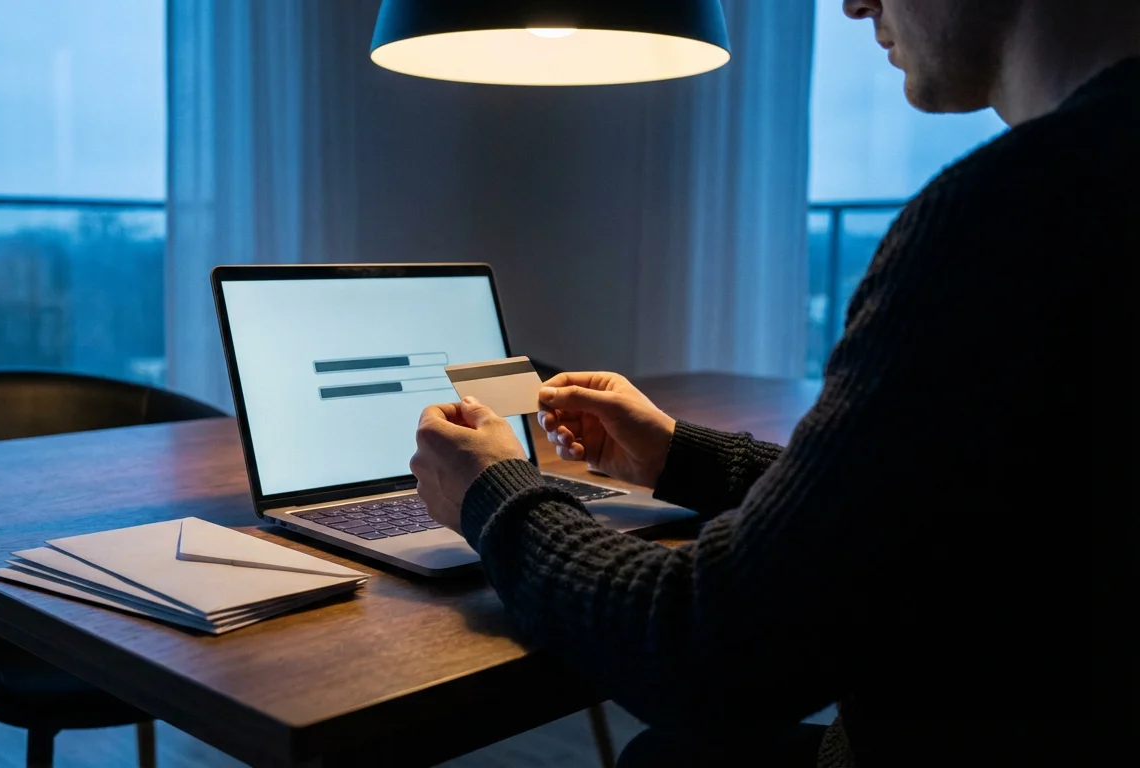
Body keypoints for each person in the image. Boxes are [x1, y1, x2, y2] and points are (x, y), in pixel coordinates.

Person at [409, 1, 1137, 765]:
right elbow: (907, 508)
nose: (854, 4)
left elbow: (705, 651)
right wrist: (676, 456)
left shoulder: (1008, 217)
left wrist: (495, 495)